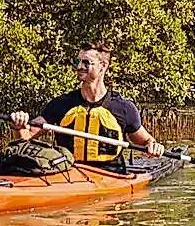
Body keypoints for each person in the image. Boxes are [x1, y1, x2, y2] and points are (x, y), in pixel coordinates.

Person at [11, 42, 166, 166]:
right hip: (67, 173)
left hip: (109, 175)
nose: (79, 67)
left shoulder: (123, 108)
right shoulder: (60, 104)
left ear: (103, 66)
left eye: (86, 63)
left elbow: (146, 142)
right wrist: (19, 126)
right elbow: (26, 137)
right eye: (77, 61)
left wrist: (154, 147)